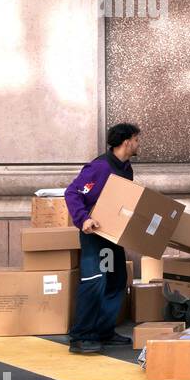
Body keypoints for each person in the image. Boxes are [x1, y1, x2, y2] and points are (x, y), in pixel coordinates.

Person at [64, 123, 141, 354]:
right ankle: (81, 336)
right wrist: (83, 219)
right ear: (127, 141)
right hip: (94, 235)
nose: (139, 144)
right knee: (95, 280)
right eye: (137, 139)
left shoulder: (125, 169)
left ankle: (103, 331)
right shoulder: (99, 167)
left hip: (112, 236)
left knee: (116, 280)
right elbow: (73, 193)